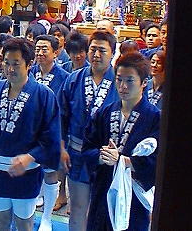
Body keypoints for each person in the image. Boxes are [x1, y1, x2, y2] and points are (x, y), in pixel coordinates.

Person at [0, 38, 61, 231]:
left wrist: (30, 157)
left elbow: (50, 136)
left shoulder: (44, 95)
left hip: (25, 172)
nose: (10, 69)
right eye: (6, 63)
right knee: (0, 222)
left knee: (24, 224)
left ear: (29, 65)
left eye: (16, 64)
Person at [82, 52, 160, 231]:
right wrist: (102, 156)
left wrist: (123, 161)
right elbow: (87, 148)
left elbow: (158, 161)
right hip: (103, 188)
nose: (123, 86)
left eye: (130, 81)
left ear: (144, 83)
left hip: (133, 195)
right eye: (119, 79)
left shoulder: (154, 118)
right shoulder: (104, 113)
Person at [59, 31, 119, 231]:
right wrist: (61, 147)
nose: (96, 54)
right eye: (92, 49)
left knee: (104, 209)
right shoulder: (74, 79)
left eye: (102, 50)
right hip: (77, 151)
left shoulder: (121, 83)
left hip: (107, 156)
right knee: (77, 206)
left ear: (112, 53)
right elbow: (61, 116)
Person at [31, 35, 70, 230]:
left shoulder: (64, 77)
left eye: (44, 49)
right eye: (37, 49)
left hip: (52, 132)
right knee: (30, 174)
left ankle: (46, 218)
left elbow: (65, 111)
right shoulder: (30, 72)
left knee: (50, 174)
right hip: (30, 133)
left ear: (56, 52)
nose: (39, 53)